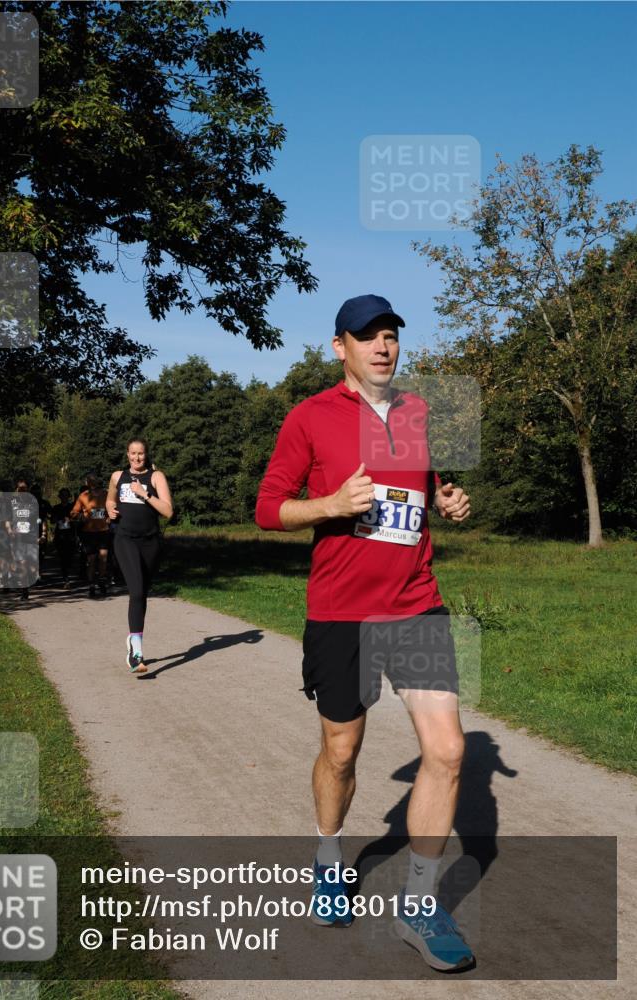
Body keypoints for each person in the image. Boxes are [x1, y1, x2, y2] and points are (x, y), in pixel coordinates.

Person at [256, 294, 473, 972]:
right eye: (366, 336)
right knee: (343, 752)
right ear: (338, 347)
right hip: (341, 610)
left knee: (449, 750)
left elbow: (425, 485)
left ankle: (418, 904)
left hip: (414, 604)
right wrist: (329, 505)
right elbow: (268, 509)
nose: (382, 347)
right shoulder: (309, 417)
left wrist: (446, 499)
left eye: (390, 336)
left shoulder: (417, 412)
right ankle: (328, 856)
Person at [107, 438, 173, 672]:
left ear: (146, 455)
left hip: (150, 542)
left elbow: (168, 511)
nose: (136, 458)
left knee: (141, 594)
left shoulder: (156, 477)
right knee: (135, 591)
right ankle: (136, 653)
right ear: (127, 454)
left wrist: (144, 494)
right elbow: (109, 499)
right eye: (133, 454)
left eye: (141, 454)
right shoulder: (117, 476)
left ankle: (133, 638)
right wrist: (109, 508)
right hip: (125, 539)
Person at [71, 473, 111, 599]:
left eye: (94, 480)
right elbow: (73, 513)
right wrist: (82, 516)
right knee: (92, 560)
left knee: (103, 558)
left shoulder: (107, 494)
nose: (92, 482)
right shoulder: (83, 496)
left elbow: (114, 508)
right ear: (87, 483)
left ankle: (102, 580)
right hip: (89, 532)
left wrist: (110, 516)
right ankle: (91, 585)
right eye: (89, 481)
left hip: (104, 531)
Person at [2, 477, 39, 600]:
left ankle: (27, 578)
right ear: (16, 489)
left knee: (31, 566)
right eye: (20, 488)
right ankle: (24, 590)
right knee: (22, 563)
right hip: (17, 537)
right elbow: (7, 520)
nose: (22, 490)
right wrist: (9, 530)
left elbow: (37, 519)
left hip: (31, 536)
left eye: (24, 488)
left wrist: (42, 533)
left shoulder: (33, 501)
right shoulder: (10, 501)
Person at [50, 487, 77, 588]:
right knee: (62, 558)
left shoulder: (73, 507)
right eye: (62, 495)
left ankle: (68, 574)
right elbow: (52, 520)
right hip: (60, 536)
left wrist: (70, 520)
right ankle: (66, 579)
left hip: (70, 535)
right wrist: (57, 519)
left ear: (68, 497)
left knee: (70, 557)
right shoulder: (56, 508)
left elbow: (78, 519)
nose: (64, 497)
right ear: (60, 497)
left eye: (66, 495)